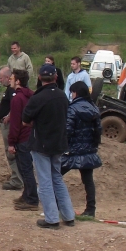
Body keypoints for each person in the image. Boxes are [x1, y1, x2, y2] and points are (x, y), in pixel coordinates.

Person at [21, 63, 76, 228]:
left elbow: (25, 121)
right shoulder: (62, 96)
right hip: (59, 142)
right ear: (56, 77)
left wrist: (37, 124)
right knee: (57, 178)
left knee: (45, 181)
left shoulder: (37, 98)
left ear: (39, 78)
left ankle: (51, 218)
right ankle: (68, 215)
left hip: (41, 143)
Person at [61, 81, 102, 218]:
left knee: (55, 175)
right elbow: (98, 130)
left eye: (72, 92)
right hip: (88, 150)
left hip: (72, 150)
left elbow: (68, 130)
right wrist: (94, 145)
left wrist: (63, 146)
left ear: (76, 93)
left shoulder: (72, 109)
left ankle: (56, 204)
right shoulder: (94, 108)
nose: (71, 95)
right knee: (88, 180)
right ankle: (91, 209)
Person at [7, 69, 37, 211]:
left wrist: (11, 142)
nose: (10, 80)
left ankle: (31, 199)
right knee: (26, 168)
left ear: (18, 81)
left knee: (25, 169)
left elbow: (15, 123)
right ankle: (26, 195)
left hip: (22, 138)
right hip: (31, 136)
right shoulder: (31, 96)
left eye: (12, 78)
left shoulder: (17, 99)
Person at [0, 65, 23, 191]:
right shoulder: (8, 90)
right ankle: (18, 178)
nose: (0, 80)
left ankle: (17, 179)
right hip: (6, 124)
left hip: (9, 125)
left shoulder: (12, 91)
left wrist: (8, 115)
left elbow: (15, 105)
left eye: (1, 78)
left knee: (11, 152)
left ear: (8, 77)